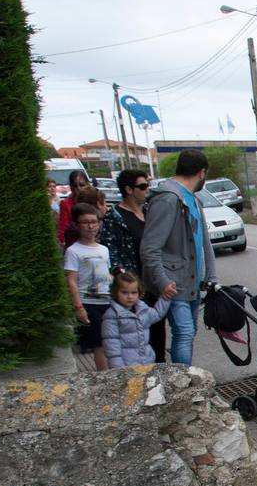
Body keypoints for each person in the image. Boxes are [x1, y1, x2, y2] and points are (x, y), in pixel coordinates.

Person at [141, 149, 216, 366]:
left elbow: (203, 243)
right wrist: (162, 281)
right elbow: (150, 246)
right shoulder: (168, 199)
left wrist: (211, 276)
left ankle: (184, 378)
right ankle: (183, 382)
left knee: (188, 332)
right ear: (201, 173)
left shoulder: (191, 199)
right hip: (174, 282)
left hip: (192, 280)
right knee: (183, 332)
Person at [99, 170, 164, 362]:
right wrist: (125, 279)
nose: (147, 190)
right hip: (132, 289)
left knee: (158, 334)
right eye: (142, 186)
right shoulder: (115, 217)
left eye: (147, 186)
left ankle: (159, 375)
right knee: (135, 339)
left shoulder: (149, 212)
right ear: (128, 189)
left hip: (153, 283)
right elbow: (111, 253)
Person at [63, 202, 113, 371]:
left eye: (94, 221)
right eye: (85, 222)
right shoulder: (73, 251)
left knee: (111, 341)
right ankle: (104, 375)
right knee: (99, 344)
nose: (91, 226)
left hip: (107, 301)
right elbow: (71, 279)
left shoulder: (104, 249)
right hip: (89, 303)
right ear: (77, 225)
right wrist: (78, 306)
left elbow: (107, 274)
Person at [101, 268, 175, 369]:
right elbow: (111, 344)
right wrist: (118, 369)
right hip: (126, 366)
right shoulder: (112, 316)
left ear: (139, 293)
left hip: (147, 361)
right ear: (115, 292)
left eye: (134, 292)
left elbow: (157, 314)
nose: (130, 296)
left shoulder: (142, 310)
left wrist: (165, 298)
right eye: (124, 292)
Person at [56, 169, 92, 241]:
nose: (78, 188)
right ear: (71, 187)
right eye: (75, 185)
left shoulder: (94, 200)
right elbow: (63, 228)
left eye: (82, 185)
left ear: (88, 184)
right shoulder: (65, 204)